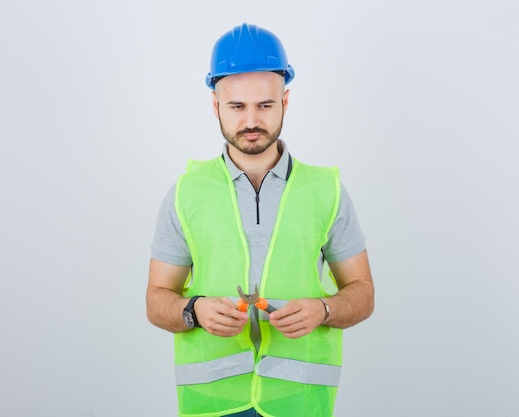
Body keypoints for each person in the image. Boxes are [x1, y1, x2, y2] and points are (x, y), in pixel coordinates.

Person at [146, 22, 374, 417]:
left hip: (298, 403)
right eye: (237, 106)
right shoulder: (185, 193)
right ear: (216, 106)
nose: (251, 120)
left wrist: (324, 310)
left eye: (264, 105)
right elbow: (156, 300)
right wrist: (194, 310)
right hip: (213, 405)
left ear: (285, 102)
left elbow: (363, 292)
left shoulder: (327, 191)